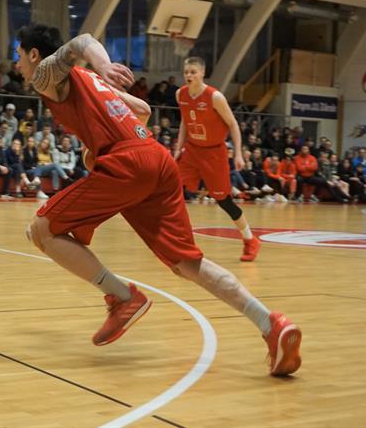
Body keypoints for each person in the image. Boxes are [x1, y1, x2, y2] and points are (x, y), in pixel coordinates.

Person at [15, 24, 300, 376]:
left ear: (33, 55)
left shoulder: (46, 76)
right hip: (156, 157)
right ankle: (272, 324)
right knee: (187, 263)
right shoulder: (93, 83)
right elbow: (143, 110)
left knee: (40, 230)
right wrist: (95, 141)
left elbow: (83, 40)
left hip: (128, 162)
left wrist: (102, 65)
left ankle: (122, 297)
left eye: (19, 57)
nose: (18, 66)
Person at [175, 57, 260, 261]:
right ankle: (174, 239)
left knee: (223, 200)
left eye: (193, 72)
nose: (189, 76)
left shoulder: (215, 97)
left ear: (203, 73)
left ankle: (250, 240)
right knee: (172, 187)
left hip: (214, 152)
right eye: (186, 72)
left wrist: (238, 153)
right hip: (192, 150)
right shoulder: (180, 94)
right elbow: (185, 123)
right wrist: (179, 148)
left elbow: (233, 125)